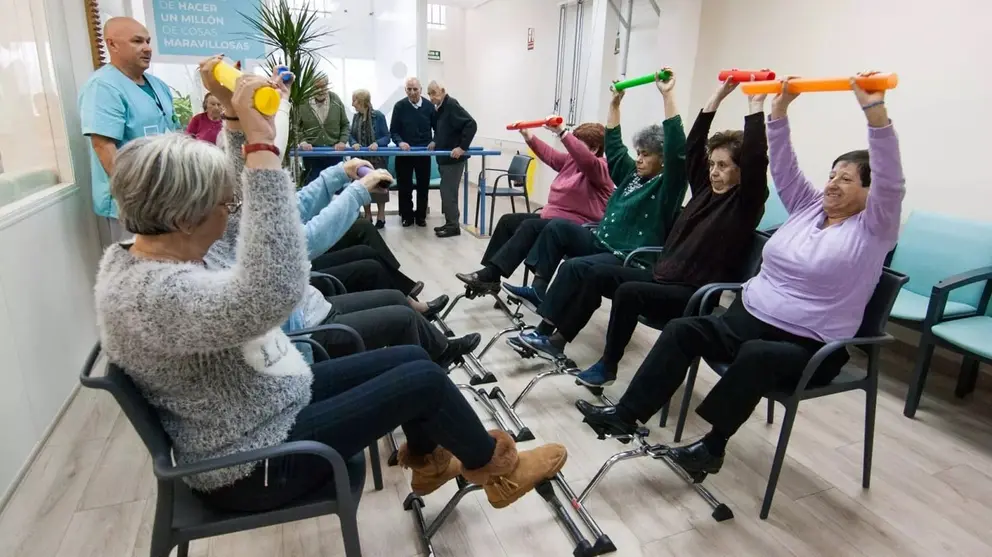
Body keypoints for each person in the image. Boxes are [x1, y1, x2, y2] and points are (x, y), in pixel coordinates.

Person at [95, 73, 568, 513]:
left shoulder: (152, 252)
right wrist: (261, 149)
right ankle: (500, 473)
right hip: (254, 463)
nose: (230, 213)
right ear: (182, 217)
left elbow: (240, 218)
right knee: (421, 383)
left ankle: (428, 466)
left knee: (415, 359)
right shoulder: (157, 295)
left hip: (267, 404)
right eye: (219, 203)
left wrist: (238, 123)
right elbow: (276, 286)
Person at [578, 74, 904, 479]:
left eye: (847, 178)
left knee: (755, 357)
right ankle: (625, 416)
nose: (833, 183)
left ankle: (711, 447)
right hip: (746, 320)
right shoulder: (806, 208)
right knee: (683, 329)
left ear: (870, 192)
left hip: (807, 345)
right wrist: (778, 111)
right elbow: (782, 165)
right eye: (832, 174)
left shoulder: (875, 228)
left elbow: (891, 180)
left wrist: (875, 112)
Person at [197, 58, 478, 366]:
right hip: (307, 331)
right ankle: (432, 357)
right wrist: (356, 189)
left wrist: (233, 111)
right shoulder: (223, 229)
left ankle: (427, 333)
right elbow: (298, 238)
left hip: (310, 305)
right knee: (403, 326)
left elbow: (281, 201)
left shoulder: (227, 211)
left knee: (388, 287)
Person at [528, 80, 771, 377]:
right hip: (662, 277)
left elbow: (750, 160)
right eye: (712, 164)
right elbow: (693, 146)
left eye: (723, 166)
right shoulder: (705, 191)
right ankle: (556, 340)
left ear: (742, 169)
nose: (714, 171)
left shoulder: (745, 203)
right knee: (589, 271)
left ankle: (607, 364)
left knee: (628, 292)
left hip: (692, 293)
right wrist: (716, 96)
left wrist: (755, 108)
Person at [508, 69, 689, 356]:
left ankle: (544, 335)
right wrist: (614, 104)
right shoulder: (633, 174)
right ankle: (539, 289)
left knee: (574, 268)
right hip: (601, 240)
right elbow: (615, 147)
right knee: (555, 227)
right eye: (639, 153)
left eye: (646, 155)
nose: (639, 159)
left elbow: (679, 150)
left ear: (663, 160)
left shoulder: (668, 187)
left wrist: (668, 96)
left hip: (627, 255)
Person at [455, 120, 612, 293]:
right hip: (552, 219)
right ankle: (491, 277)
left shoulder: (601, 168)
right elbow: (550, 155)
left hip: (576, 227)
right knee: (508, 221)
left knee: (529, 226)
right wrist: (528, 135)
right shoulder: (571, 162)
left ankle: (489, 275)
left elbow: (586, 161)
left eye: (577, 145)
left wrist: (562, 132)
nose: (571, 149)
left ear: (595, 149)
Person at [79, 17, 177, 245]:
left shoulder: (157, 85)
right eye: (137, 41)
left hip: (164, 195)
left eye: (148, 41)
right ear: (112, 44)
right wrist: (136, 197)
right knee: (133, 268)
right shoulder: (103, 87)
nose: (147, 48)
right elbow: (103, 146)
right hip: (131, 202)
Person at [426, 81, 478, 238]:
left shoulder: (451, 104)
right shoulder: (440, 108)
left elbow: (471, 124)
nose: (431, 97)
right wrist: (435, 140)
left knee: (448, 192)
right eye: (429, 94)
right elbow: (441, 130)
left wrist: (462, 147)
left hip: (453, 160)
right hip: (445, 159)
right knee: (446, 192)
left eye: (434, 93)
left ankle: (453, 226)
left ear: (442, 91)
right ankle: (450, 222)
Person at [390, 77, 436, 227]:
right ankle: (407, 216)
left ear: (421, 90)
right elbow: (394, 131)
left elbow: (438, 128)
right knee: (405, 187)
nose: (412, 92)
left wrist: (434, 141)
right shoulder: (399, 106)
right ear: (405, 90)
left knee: (423, 186)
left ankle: (421, 216)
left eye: (415, 89)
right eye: (409, 89)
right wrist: (400, 142)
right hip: (404, 154)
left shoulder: (429, 106)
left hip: (423, 154)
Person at [349, 89, 391, 228]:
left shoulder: (378, 116)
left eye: (354, 100)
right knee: (364, 187)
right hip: (361, 160)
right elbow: (351, 135)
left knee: (379, 186)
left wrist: (377, 143)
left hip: (377, 159)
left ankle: (381, 215)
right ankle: (368, 214)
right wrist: (354, 143)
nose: (352, 103)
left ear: (361, 101)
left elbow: (386, 136)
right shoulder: (356, 117)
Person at [297, 76, 350, 184]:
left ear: (327, 86)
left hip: (334, 152)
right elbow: (296, 127)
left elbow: (345, 124)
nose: (320, 90)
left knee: (336, 187)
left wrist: (342, 141)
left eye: (323, 86)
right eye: (317, 87)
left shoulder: (336, 99)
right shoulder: (303, 102)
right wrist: (303, 142)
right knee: (313, 187)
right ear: (311, 86)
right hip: (312, 154)